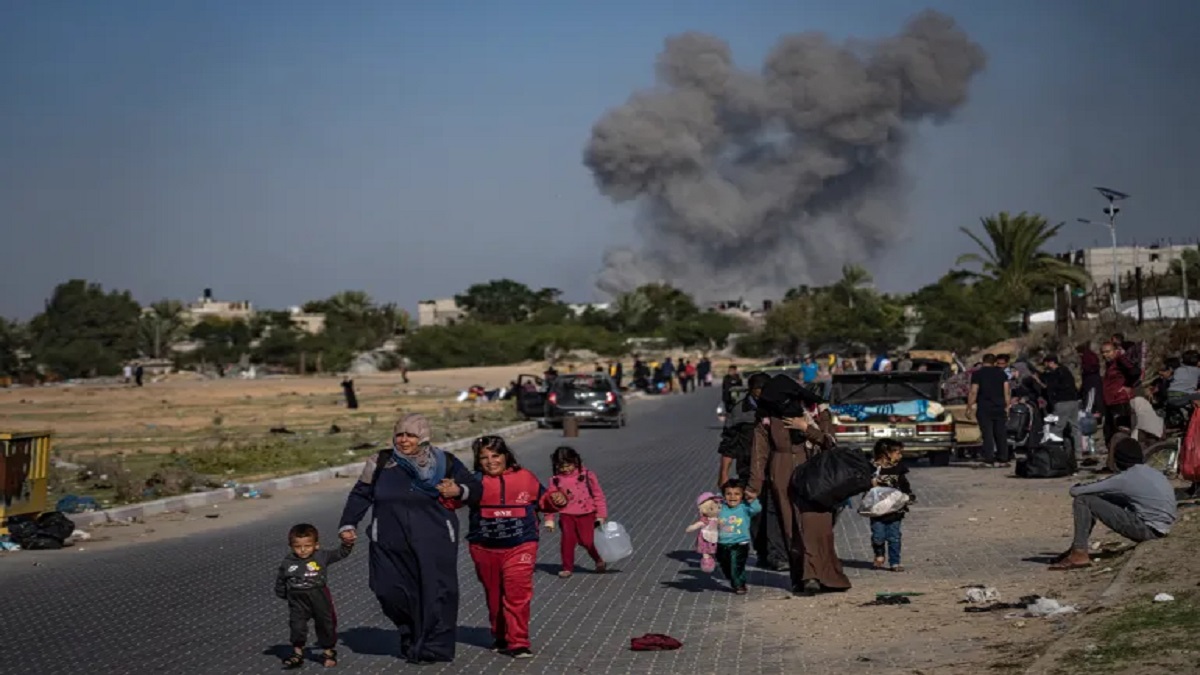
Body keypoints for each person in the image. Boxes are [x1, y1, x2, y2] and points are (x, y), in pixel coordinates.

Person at [338, 414, 482, 665]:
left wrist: (459, 490)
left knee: (436, 594)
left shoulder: (445, 462)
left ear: (424, 437)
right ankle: (411, 633)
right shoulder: (381, 462)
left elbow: (475, 488)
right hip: (388, 540)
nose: (404, 440)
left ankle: (433, 647)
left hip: (435, 540)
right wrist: (348, 523)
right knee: (387, 591)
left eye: (411, 435)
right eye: (400, 435)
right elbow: (361, 494)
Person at [445, 436, 567, 659]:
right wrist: (448, 492)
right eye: (484, 458)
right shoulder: (475, 482)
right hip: (484, 548)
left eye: (496, 455)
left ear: (506, 455)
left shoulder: (525, 477)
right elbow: (451, 502)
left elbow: (544, 500)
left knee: (517, 593)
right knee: (494, 596)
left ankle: (518, 641)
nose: (491, 461)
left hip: (521, 546)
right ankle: (500, 634)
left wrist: (556, 500)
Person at [747, 375, 851, 596]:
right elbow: (759, 453)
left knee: (816, 525)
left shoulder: (816, 410)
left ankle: (825, 575)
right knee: (791, 526)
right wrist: (754, 486)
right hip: (781, 470)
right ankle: (805, 578)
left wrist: (805, 428)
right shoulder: (766, 416)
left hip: (814, 472)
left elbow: (830, 442)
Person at [1050, 437, 1176, 570]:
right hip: (1163, 527)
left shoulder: (1124, 478)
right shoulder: (1152, 471)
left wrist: (1087, 486)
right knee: (1108, 498)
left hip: (1147, 530)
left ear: (1118, 459)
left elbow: (1075, 491)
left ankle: (1079, 553)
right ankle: (1076, 548)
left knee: (1083, 500)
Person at [717, 373, 786, 571]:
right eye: (758, 391)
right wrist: (723, 474)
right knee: (756, 512)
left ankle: (778, 555)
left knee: (775, 511)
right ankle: (763, 553)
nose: (761, 395)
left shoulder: (777, 406)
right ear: (751, 390)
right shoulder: (740, 410)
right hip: (748, 469)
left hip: (775, 467)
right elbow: (729, 443)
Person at [274, 523, 353, 669]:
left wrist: (348, 544)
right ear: (291, 546)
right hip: (297, 599)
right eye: (297, 547)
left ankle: (328, 652)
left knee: (325, 624)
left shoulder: (321, 556)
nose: (303, 550)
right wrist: (283, 594)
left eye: (307, 546)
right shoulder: (288, 562)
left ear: (316, 545)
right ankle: (297, 653)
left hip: (319, 596)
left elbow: (340, 553)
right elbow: (281, 580)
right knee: (297, 626)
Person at [543, 446, 609, 578]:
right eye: (561, 466)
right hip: (567, 515)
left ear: (575, 461)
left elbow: (598, 495)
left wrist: (601, 515)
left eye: (568, 465)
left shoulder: (587, 475)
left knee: (587, 541)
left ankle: (599, 560)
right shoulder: (555, 480)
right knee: (568, 541)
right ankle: (567, 567)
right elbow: (550, 501)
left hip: (586, 513)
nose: (566, 469)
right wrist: (549, 519)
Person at [868, 440, 915, 572]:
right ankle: (879, 554)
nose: (900, 456)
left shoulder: (899, 468)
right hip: (877, 509)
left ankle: (895, 562)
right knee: (878, 536)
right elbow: (863, 484)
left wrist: (909, 495)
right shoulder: (872, 468)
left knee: (894, 536)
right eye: (897, 453)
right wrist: (871, 483)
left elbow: (904, 483)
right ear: (885, 453)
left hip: (895, 509)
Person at [715, 479, 762, 594]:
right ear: (724, 495)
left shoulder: (744, 508)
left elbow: (757, 509)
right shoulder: (720, 508)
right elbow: (709, 514)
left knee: (737, 564)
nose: (732, 497)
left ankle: (740, 585)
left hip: (740, 543)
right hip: (722, 543)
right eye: (728, 494)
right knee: (725, 565)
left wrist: (752, 499)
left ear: (742, 495)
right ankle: (732, 579)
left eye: (737, 494)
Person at [968, 354, 1011, 467]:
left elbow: (974, 391)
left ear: (983, 361)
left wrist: (969, 406)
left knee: (987, 434)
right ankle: (1003, 459)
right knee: (1000, 433)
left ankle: (989, 459)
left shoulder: (977, 374)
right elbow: (1006, 391)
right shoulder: (1001, 373)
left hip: (984, 407)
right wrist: (1007, 406)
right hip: (999, 406)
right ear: (994, 362)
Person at [1036, 355, 1081, 455]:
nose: (1045, 366)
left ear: (1050, 362)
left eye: (1046, 363)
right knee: (1075, 428)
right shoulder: (1066, 371)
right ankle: (1078, 453)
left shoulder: (1054, 374)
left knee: (1057, 429)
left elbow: (1049, 388)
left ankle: (1057, 454)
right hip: (1074, 401)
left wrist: (1038, 380)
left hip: (1062, 403)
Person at [1100, 341, 1140, 445]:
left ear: (1115, 351)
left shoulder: (1120, 360)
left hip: (1119, 400)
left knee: (1121, 430)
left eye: (1108, 352)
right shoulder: (1110, 363)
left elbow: (1135, 372)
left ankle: (1125, 451)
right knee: (1109, 431)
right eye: (1103, 352)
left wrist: (1127, 385)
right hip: (1110, 401)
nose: (1105, 355)